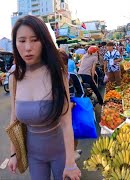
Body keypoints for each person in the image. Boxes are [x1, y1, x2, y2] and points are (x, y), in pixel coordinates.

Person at [7, 15, 81, 180]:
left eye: (34, 40)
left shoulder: (57, 74)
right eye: (22, 40)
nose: (28, 47)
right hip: (34, 155)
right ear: (15, 43)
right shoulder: (14, 78)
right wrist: (13, 153)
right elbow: (14, 120)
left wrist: (70, 163)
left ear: (44, 42)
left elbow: (66, 122)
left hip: (60, 152)